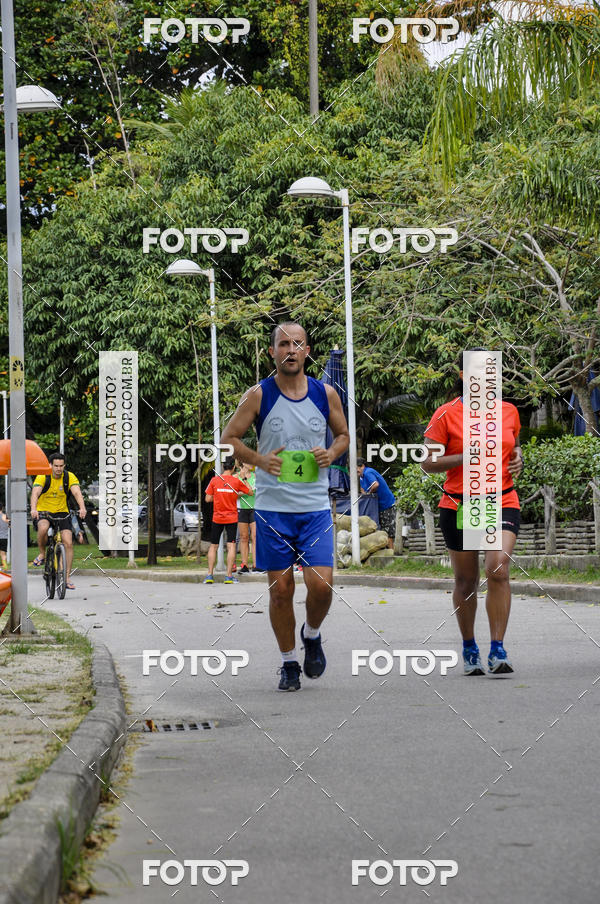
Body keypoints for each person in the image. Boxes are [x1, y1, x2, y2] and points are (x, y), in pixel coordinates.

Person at [221, 322, 350, 692]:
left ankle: (311, 634)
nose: (290, 350)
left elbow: (343, 435)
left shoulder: (325, 394)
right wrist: (259, 460)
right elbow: (229, 439)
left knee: (321, 586)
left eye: (297, 344)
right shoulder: (259, 395)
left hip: (313, 509)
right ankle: (289, 663)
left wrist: (332, 452)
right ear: (272, 353)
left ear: (307, 351)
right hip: (273, 509)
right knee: (281, 591)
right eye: (283, 344)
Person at [422, 353, 523, 676]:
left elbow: (513, 445)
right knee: (466, 581)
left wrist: (518, 458)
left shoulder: (508, 411)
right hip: (460, 504)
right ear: (464, 377)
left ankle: (498, 648)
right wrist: (465, 456)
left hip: (501, 499)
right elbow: (428, 462)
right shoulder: (446, 414)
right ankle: (469, 647)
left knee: (498, 569)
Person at [30, 452, 87, 591]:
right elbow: (35, 493)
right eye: (56, 466)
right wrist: (33, 509)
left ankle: (67, 577)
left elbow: (77, 493)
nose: (58, 469)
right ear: (50, 465)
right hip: (44, 511)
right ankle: (42, 553)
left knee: (68, 542)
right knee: (43, 528)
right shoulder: (43, 476)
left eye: (61, 466)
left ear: (64, 465)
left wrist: (82, 507)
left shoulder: (69, 476)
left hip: (62, 512)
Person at [204, 457, 251, 585]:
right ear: (233, 468)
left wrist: (219, 496)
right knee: (231, 545)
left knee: (214, 546)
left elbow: (207, 499)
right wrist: (244, 478)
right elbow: (250, 492)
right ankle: (228, 576)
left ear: (223, 466)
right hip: (231, 518)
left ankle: (209, 575)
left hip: (217, 518)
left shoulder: (214, 480)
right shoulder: (236, 481)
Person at [357, 458, 396, 548]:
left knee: (388, 531)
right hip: (377, 506)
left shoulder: (368, 472)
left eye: (355, 468)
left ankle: (391, 554)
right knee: (379, 530)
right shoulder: (361, 478)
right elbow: (362, 490)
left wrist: (369, 493)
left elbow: (375, 484)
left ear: (362, 466)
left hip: (387, 504)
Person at [235, 462, 257, 573]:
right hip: (241, 509)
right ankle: (244, 565)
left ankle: (256, 564)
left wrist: (244, 491)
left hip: (254, 508)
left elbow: (253, 492)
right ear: (243, 462)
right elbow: (234, 493)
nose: (251, 463)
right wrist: (246, 491)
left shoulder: (255, 475)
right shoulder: (236, 477)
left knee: (255, 536)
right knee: (244, 537)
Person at [0, 505, 9, 570]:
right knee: (3, 554)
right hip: (4, 538)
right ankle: (5, 567)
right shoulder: (5, 516)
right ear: (2, 508)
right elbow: (10, 525)